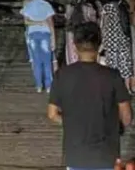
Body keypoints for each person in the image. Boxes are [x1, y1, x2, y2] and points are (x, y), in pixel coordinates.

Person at [48, 22, 132, 170]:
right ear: (100, 45)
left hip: (75, 153)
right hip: (106, 153)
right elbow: (126, 117)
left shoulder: (62, 75)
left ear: (74, 46)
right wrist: (111, 127)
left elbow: (52, 114)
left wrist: (74, 123)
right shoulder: (112, 76)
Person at [21, 0, 57, 92]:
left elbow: (26, 22)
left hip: (32, 35)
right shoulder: (46, 5)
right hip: (45, 34)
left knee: (36, 61)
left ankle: (38, 86)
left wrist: (36, 23)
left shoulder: (28, 5)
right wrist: (53, 39)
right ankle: (48, 86)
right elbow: (51, 24)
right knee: (47, 61)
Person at [100, 0, 134, 91]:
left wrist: (102, 42)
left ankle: (114, 91)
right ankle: (127, 89)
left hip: (111, 41)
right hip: (124, 39)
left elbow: (104, 25)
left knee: (112, 67)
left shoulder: (107, 7)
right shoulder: (123, 5)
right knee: (125, 65)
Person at [65, 0, 100, 65]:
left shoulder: (69, 7)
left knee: (72, 57)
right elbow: (94, 23)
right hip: (85, 36)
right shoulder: (89, 7)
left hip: (71, 34)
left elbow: (67, 19)